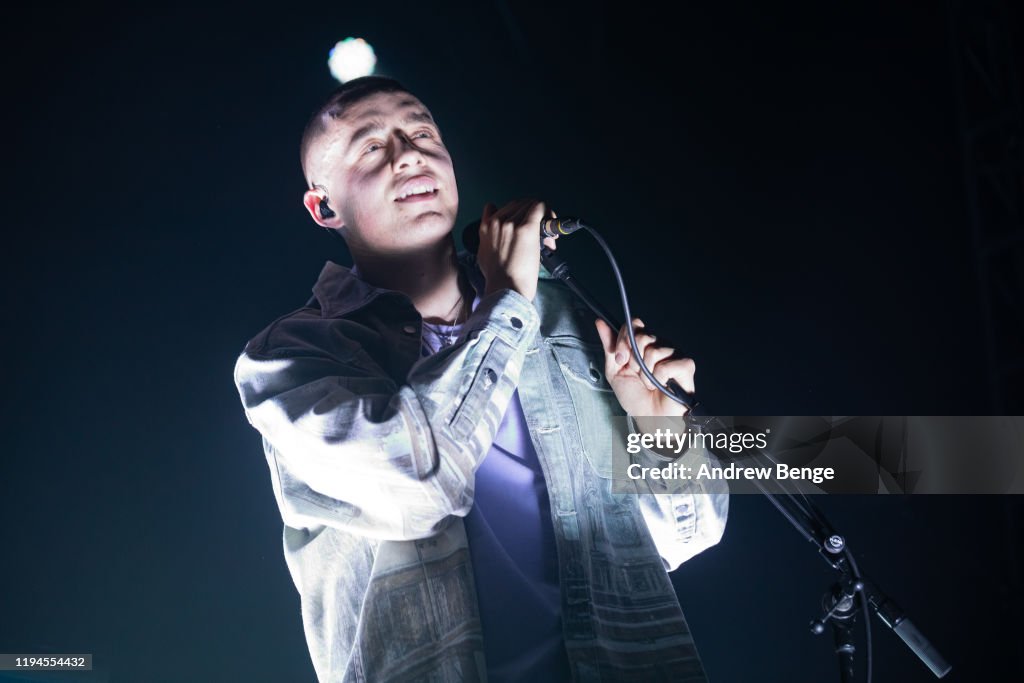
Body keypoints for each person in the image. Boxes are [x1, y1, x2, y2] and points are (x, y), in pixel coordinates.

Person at [233, 75, 728, 682]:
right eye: (371, 145)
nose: (409, 153)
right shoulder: (291, 359)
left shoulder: (566, 318)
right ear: (323, 206)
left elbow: (689, 535)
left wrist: (663, 432)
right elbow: (420, 482)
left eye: (421, 132)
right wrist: (507, 302)